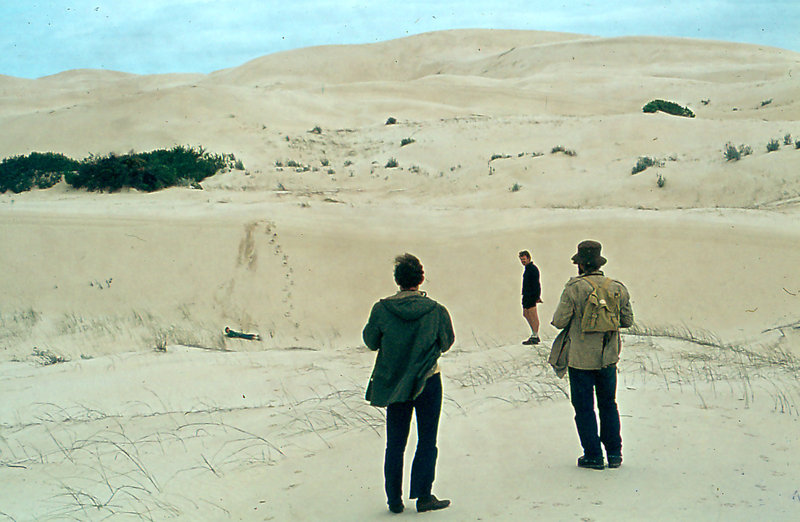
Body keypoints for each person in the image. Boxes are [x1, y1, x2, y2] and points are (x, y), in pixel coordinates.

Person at [362, 253, 455, 514]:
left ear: (398, 280)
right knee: (427, 439)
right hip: (428, 381)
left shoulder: (381, 309)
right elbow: (446, 342)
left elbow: (370, 341)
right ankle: (424, 497)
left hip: (396, 384)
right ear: (420, 279)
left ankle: (394, 500)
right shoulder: (436, 310)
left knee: (395, 444)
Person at [550, 240, 634, 470]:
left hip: (580, 359)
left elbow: (559, 321)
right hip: (608, 357)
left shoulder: (574, 288)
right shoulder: (617, 287)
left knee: (584, 408)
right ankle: (614, 454)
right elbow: (627, 320)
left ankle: (593, 455)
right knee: (609, 404)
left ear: (580, 265)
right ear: (599, 263)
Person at [519, 250, 542, 345]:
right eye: (521, 260)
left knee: (533, 315)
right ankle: (534, 333)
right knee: (526, 313)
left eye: (524, 259)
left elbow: (537, 284)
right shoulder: (527, 269)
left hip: (532, 295)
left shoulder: (533, 269)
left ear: (528, 258)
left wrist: (537, 296)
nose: (522, 261)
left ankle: (535, 335)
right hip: (526, 295)